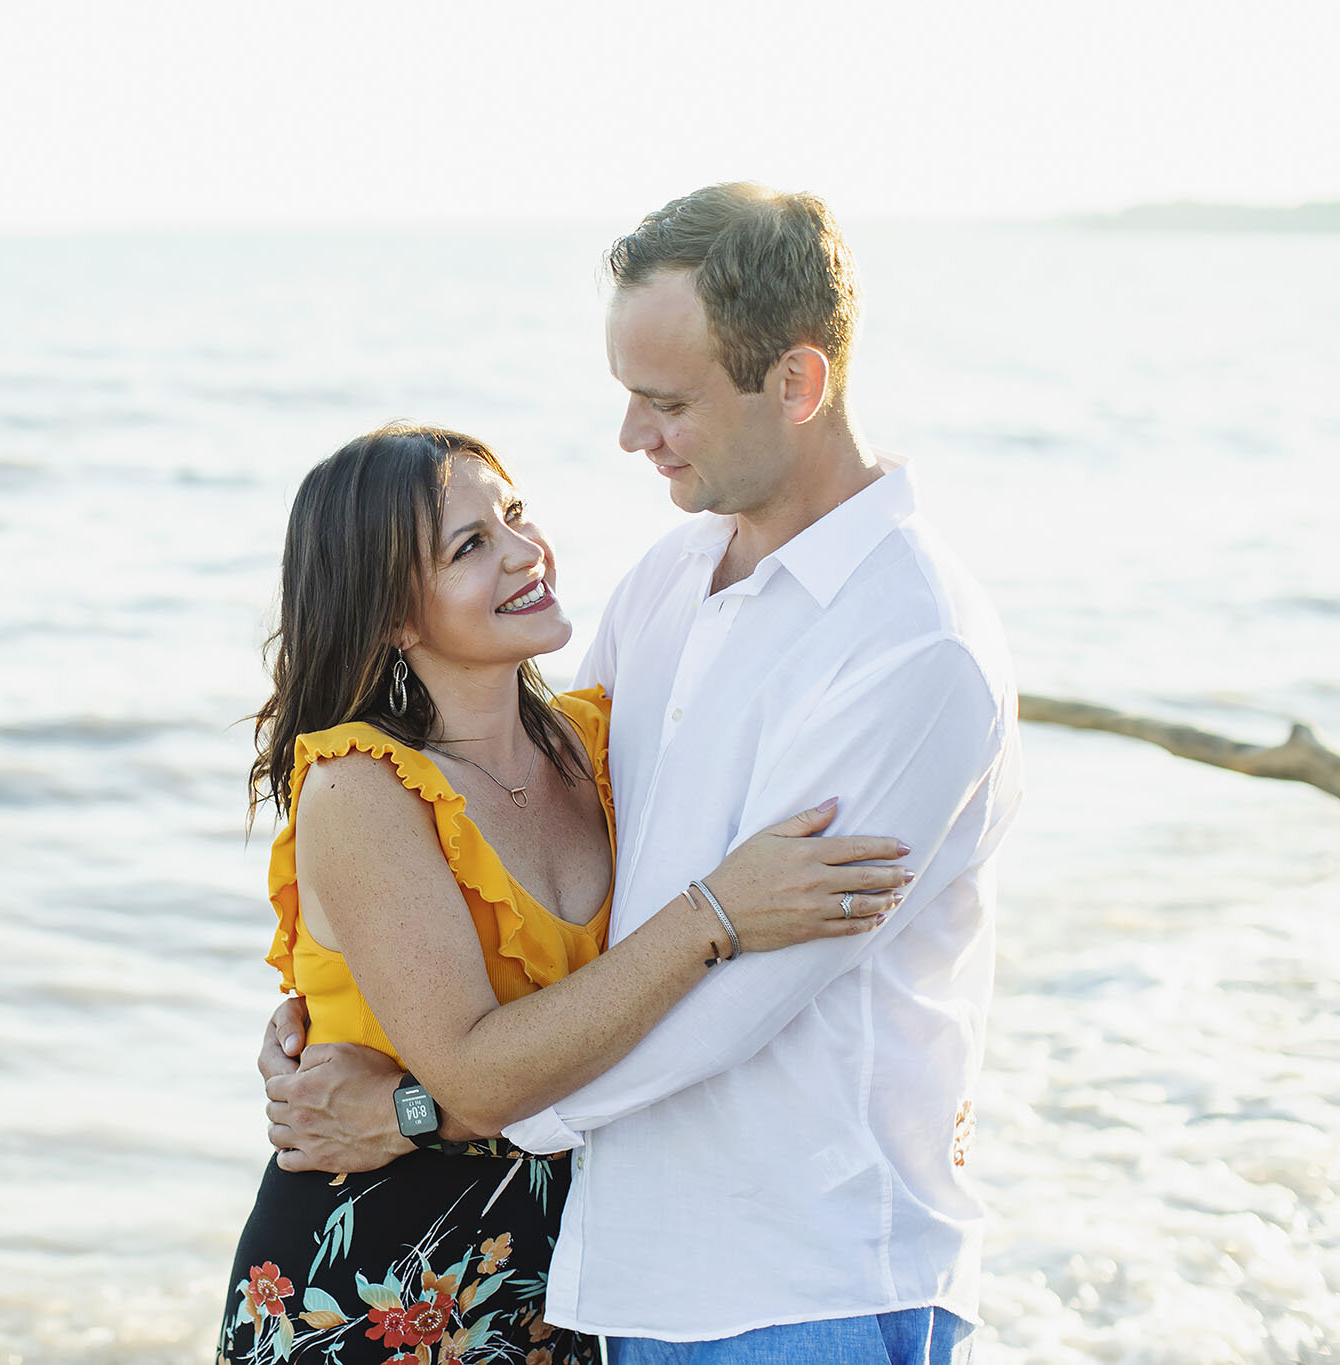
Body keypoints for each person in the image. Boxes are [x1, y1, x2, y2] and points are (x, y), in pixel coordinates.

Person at [259, 185, 1023, 1363]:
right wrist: (333, 1016)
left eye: (665, 401)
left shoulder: (912, 650)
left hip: (806, 1280)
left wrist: (422, 1110)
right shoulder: (672, 581)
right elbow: (508, 841)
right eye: (626, 395)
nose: (629, 436)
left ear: (797, 384)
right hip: (614, 1275)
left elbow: (735, 1006)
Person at [217, 423, 914, 1365]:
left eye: (513, 514)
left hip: (569, 1274)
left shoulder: (601, 745)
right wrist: (717, 916)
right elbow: (476, 1073)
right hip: (373, 1286)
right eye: (470, 547)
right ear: (392, 616)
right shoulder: (361, 787)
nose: (523, 552)